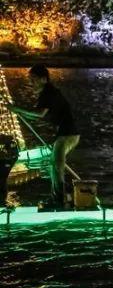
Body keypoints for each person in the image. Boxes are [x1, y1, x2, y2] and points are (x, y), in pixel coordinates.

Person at [9, 65, 79, 208]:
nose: (31, 82)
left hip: (68, 134)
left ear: (44, 79)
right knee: (54, 165)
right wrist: (20, 112)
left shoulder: (49, 93)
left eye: (34, 79)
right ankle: (60, 198)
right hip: (64, 134)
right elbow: (37, 115)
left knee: (56, 165)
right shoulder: (45, 94)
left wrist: (17, 109)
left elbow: (40, 114)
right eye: (30, 79)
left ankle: (59, 201)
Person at [0, 134, 19, 209]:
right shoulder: (9, 142)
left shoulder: (9, 143)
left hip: (5, 162)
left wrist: (9, 162)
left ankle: (2, 200)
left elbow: (13, 154)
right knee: (2, 180)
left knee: (2, 180)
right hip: (5, 162)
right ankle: (2, 200)